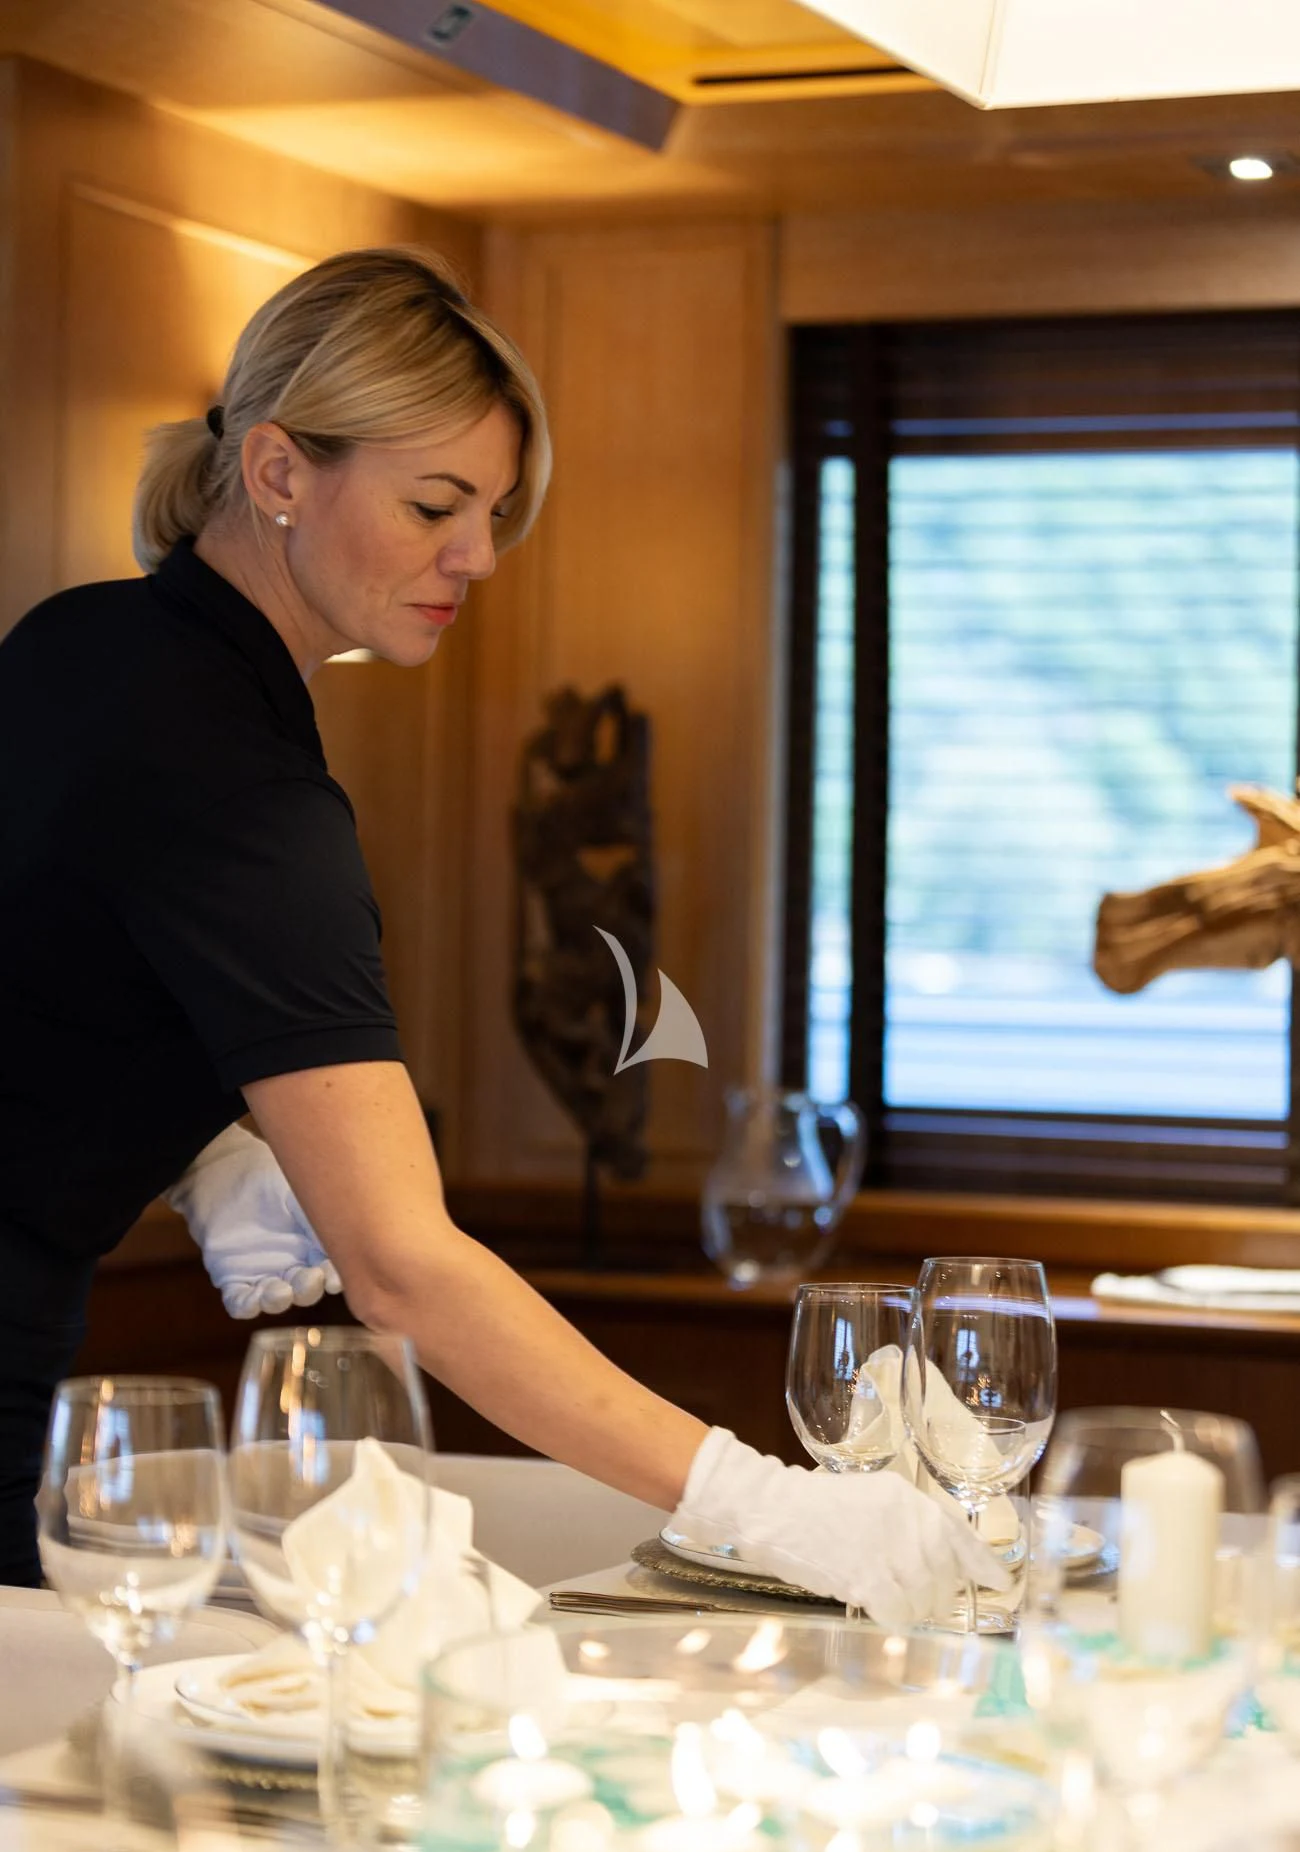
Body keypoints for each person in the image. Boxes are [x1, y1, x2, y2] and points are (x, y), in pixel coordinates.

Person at [0, 245, 1003, 1619]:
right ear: (280, 472)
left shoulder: (82, 645)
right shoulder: (239, 778)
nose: (476, 556)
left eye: (491, 510)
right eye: (434, 505)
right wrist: (773, 1509)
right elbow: (407, 1267)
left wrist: (200, 1141)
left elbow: (54, 973)